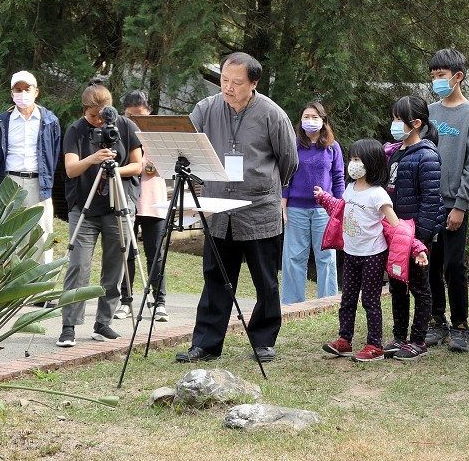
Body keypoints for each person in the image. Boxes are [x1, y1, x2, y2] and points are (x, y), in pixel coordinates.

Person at [176, 52, 298, 363]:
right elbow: (188, 150)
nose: (228, 87)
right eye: (224, 80)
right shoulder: (206, 108)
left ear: (254, 83)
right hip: (218, 210)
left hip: (259, 210)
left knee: (265, 281)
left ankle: (263, 341)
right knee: (215, 278)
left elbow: (289, 161)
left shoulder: (272, 114)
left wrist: (263, 188)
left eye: (236, 82)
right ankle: (206, 344)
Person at [318, 139, 428, 361]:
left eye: (357, 159)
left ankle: (374, 345)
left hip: (373, 257)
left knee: (370, 301)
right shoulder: (350, 188)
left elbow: (397, 229)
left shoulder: (379, 195)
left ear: (372, 163)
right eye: (351, 159)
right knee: (347, 299)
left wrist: (416, 248)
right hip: (350, 255)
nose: (352, 163)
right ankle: (344, 341)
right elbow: (342, 212)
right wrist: (323, 198)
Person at [57, 79, 143, 347]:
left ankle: (103, 323)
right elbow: (71, 170)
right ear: (84, 110)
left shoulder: (125, 125)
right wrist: (93, 159)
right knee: (79, 265)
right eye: (92, 116)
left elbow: (138, 166)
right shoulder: (75, 130)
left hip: (118, 204)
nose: (97, 121)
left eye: (102, 115)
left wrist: (115, 168)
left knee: (116, 265)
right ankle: (69, 325)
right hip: (84, 205)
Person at [427, 49, 469, 352]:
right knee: (430, 265)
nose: (437, 81)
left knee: (453, 265)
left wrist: (460, 205)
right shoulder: (429, 111)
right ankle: (436, 320)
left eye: (442, 75)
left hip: (453, 204)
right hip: (428, 204)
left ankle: (461, 324)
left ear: (457, 76)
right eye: (434, 75)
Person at [384, 96, 445, 360]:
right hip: (396, 234)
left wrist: (419, 239)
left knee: (420, 288)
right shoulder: (396, 153)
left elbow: (431, 203)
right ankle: (399, 337)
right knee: (397, 286)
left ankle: (418, 340)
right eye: (394, 118)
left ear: (416, 123)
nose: (394, 124)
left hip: (416, 237)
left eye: (399, 119)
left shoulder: (427, 156)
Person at [0, 71, 61, 274]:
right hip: (10, 182)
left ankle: (40, 287)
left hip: (38, 183)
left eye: (27, 89)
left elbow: (53, 155)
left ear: (36, 92)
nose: (23, 94)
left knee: (42, 234)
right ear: (12, 94)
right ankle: (6, 283)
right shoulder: (1, 121)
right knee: (7, 233)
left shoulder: (49, 121)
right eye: (18, 90)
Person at [281, 102, 345, 304]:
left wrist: (339, 207)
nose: (310, 121)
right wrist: (282, 207)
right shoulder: (293, 145)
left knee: (326, 258)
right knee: (293, 258)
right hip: (295, 208)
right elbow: (286, 179)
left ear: (324, 120)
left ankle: (327, 302)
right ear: (300, 121)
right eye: (306, 116)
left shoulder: (333, 147)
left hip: (324, 211)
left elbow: (339, 178)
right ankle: (292, 304)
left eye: (315, 117)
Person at [116, 90, 169, 323]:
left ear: (149, 113)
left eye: (139, 116)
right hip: (126, 199)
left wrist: (144, 165)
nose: (133, 121)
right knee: (125, 253)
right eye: (129, 115)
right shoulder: (118, 131)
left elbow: (162, 166)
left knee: (154, 254)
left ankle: (159, 303)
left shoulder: (159, 134)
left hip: (153, 200)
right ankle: (125, 302)